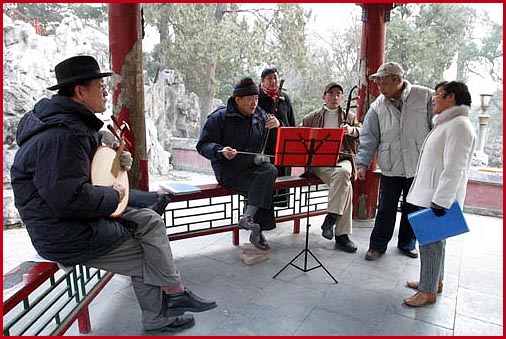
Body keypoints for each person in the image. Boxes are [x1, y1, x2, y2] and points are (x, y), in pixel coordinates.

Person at [10, 55, 217, 334]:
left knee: (151, 218)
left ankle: (175, 293)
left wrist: (116, 162)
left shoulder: (72, 123)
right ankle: (162, 312)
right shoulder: (60, 135)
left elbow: (86, 172)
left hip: (76, 220)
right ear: (80, 92)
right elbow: (69, 199)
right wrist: (113, 194)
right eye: (100, 86)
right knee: (149, 255)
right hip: (64, 233)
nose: (106, 93)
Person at [403, 81, 476, 306]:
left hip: (436, 197)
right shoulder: (448, 123)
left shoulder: (459, 126)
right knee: (434, 243)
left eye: (439, 94)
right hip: (432, 193)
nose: (434, 99)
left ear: (451, 97)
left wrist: (441, 201)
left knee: (430, 243)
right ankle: (435, 281)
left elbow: (454, 167)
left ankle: (427, 292)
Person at [355, 62, 434, 261]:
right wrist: (362, 163)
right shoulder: (377, 106)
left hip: (417, 163)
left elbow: (437, 127)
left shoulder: (424, 96)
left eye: (384, 83)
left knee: (413, 206)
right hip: (391, 164)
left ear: (398, 80)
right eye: (378, 83)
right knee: (385, 208)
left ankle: (408, 243)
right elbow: (368, 137)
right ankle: (377, 246)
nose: (380, 88)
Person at [196, 76, 280, 251]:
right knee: (264, 184)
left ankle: (248, 217)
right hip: (229, 170)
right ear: (238, 99)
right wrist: (220, 151)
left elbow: (276, 142)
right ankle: (256, 230)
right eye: (250, 99)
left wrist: (277, 125)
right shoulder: (220, 117)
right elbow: (203, 145)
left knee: (270, 171)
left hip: (253, 168)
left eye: (256, 99)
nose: (254, 103)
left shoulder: (260, 116)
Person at [301, 82, 361, 253]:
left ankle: (331, 218)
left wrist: (351, 130)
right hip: (320, 162)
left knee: (343, 173)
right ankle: (342, 235)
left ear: (342, 98)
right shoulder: (311, 118)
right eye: (331, 93)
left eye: (338, 94)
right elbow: (301, 139)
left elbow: (363, 132)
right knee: (346, 186)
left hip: (343, 159)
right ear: (324, 96)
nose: (335, 97)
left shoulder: (349, 117)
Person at [258, 67, 296, 207]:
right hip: (262, 150)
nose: (273, 81)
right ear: (262, 81)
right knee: (262, 187)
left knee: (280, 186)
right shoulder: (256, 97)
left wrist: (279, 124)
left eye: (275, 78)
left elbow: (292, 125)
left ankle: (275, 215)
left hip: (281, 149)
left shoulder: (284, 98)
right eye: (269, 78)